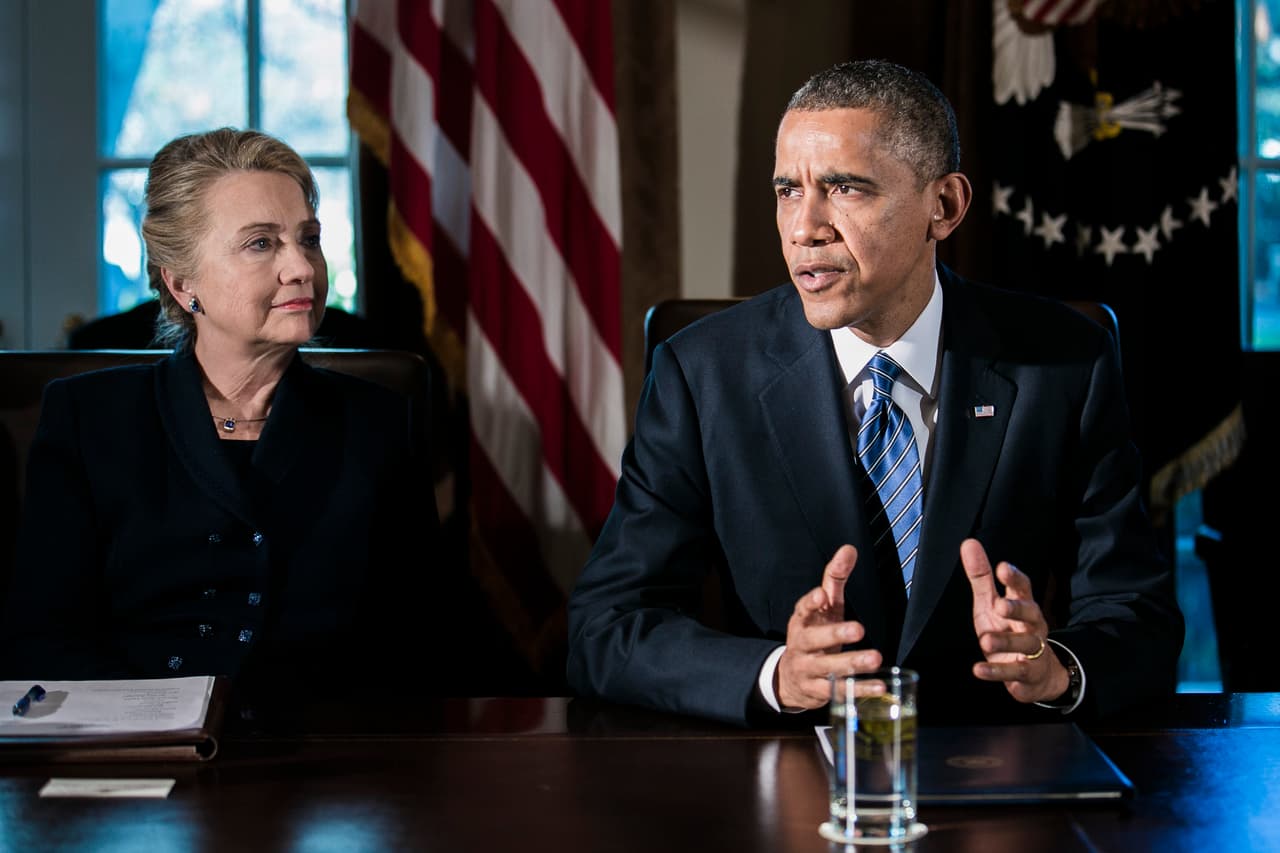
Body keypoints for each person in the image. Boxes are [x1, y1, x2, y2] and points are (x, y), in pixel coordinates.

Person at [565, 60, 1184, 726]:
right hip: (793, 790)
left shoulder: (1064, 361)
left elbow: (1138, 617)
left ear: (942, 207)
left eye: (845, 189)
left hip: (999, 780)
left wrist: (1056, 667)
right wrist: (780, 675)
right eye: (786, 190)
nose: (804, 226)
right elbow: (604, 627)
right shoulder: (701, 372)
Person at [0, 128, 444, 720]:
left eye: (308, 239)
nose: (301, 268)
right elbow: (42, 639)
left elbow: (427, 638)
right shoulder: (87, 418)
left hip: (330, 761)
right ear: (183, 284)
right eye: (261, 244)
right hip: (136, 754)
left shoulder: (378, 421)